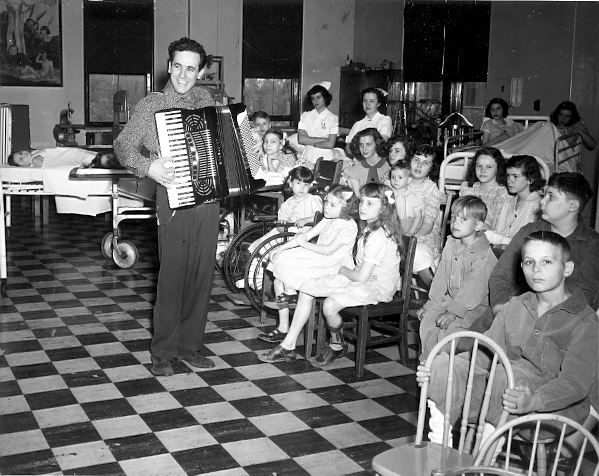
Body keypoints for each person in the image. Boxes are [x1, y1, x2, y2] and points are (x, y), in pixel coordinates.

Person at [417, 231, 598, 445]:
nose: (536, 269)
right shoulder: (515, 306)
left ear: (567, 268)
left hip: (552, 411)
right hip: (502, 394)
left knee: (506, 373)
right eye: (529, 262)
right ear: (521, 267)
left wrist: (535, 400)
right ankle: (439, 445)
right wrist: (440, 371)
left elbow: (575, 383)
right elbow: (487, 353)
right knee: (442, 363)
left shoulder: (584, 321)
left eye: (547, 261)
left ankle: (485, 456)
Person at [113, 37, 218, 376]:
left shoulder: (208, 100)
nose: (183, 75)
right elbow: (123, 146)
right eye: (178, 67)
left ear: (200, 71)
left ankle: (189, 345)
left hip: (209, 199)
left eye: (191, 68)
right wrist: (149, 168)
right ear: (169, 66)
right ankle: (163, 351)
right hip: (172, 198)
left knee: (202, 275)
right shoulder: (151, 105)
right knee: (172, 275)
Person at [259, 183, 402, 368]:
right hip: (359, 276)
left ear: (383, 207)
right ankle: (289, 345)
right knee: (307, 287)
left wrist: (342, 270)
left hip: (375, 286)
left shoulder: (379, 235)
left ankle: (336, 344)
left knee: (329, 304)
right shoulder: (369, 227)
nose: (362, 207)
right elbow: (359, 269)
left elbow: (361, 277)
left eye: (369, 204)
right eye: (362, 202)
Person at [258, 185, 359, 347]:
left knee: (281, 276)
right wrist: (281, 248)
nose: (326, 207)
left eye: (332, 205)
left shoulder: (349, 226)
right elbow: (305, 235)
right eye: (326, 202)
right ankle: (286, 314)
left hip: (333, 265)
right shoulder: (327, 219)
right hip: (318, 257)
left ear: (346, 207)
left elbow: (328, 250)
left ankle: (290, 297)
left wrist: (303, 244)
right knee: (280, 265)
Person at [417, 196, 497, 359]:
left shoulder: (483, 256)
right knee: (428, 320)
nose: (455, 222)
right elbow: (441, 277)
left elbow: (472, 290)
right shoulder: (451, 243)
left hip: (474, 308)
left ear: (478, 225)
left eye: (463, 219)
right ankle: (427, 363)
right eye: (453, 217)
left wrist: (453, 312)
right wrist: (431, 303)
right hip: (452, 301)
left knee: (449, 329)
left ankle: (444, 365)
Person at [241, 167, 323, 291]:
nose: (302, 188)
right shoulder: (287, 203)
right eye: (298, 183)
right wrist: (282, 223)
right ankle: (251, 277)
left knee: (270, 246)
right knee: (261, 245)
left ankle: (257, 280)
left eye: (306, 185)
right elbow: (280, 227)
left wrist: (306, 220)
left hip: (303, 236)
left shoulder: (312, 200)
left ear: (310, 185)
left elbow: (320, 218)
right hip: (285, 233)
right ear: (290, 183)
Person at [485, 155, 544, 248]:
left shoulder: (538, 205)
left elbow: (533, 243)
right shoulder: (507, 202)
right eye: (508, 175)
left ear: (530, 179)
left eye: (515, 176)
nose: (509, 180)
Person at [409, 145, 442, 287]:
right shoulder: (399, 181)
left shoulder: (432, 189)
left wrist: (411, 237)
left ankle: (436, 292)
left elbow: (428, 224)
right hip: (399, 230)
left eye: (425, 163)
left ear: (431, 168)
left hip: (422, 234)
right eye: (416, 159)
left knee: (417, 253)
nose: (419, 165)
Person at [287, 82, 339, 168]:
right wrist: (324, 139)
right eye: (313, 98)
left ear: (325, 98)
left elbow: (330, 144)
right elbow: (301, 140)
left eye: (319, 97)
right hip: (308, 157)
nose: (316, 101)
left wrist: (311, 141)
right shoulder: (306, 116)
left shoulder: (332, 118)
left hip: (326, 159)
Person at [458, 147, 509, 229]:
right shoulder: (467, 189)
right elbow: (459, 218)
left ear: (498, 169)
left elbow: (495, 229)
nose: (482, 170)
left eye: (489, 167)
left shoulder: (501, 192)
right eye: (479, 166)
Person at [344, 88, 393, 155]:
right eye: (365, 101)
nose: (367, 104)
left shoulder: (385, 120)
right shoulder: (358, 124)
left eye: (371, 101)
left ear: (378, 103)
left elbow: (381, 142)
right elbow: (349, 147)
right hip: (359, 161)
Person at [346, 128, 390, 197]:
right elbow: (358, 199)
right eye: (361, 145)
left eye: (368, 144)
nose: (364, 149)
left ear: (377, 144)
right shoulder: (354, 171)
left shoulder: (389, 166)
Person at [389, 160, 422, 236]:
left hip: (408, 229)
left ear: (409, 180)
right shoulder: (389, 195)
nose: (395, 180)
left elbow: (418, 217)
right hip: (392, 228)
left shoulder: (414, 197)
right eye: (393, 177)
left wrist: (411, 231)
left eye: (400, 177)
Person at [8, 148, 116, 169]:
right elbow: (48, 165)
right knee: (89, 157)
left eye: (21, 153)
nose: (23, 155)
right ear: (23, 166)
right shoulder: (34, 159)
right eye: (21, 159)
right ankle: (109, 161)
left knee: (88, 155)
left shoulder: (34, 152)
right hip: (67, 155)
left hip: (69, 152)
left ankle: (109, 160)